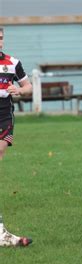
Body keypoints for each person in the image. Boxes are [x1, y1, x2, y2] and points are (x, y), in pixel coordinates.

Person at [0, 26, 33, 247]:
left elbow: (29, 87)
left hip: (3, 114)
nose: (0, 41)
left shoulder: (13, 62)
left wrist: (19, 91)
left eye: (1, 37)